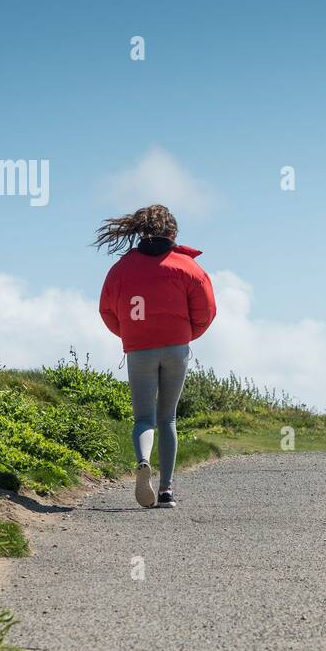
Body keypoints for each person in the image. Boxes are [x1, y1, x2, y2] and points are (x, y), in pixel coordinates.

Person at [96, 204, 216, 509]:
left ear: (141, 231)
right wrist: (186, 335)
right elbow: (206, 312)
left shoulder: (121, 269)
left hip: (139, 349)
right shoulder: (189, 268)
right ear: (173, 232)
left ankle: (143, 461)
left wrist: (130, 335)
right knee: (168, 417)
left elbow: (107, 310)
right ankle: (166, 491)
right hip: (176, 348)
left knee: (144, 417)